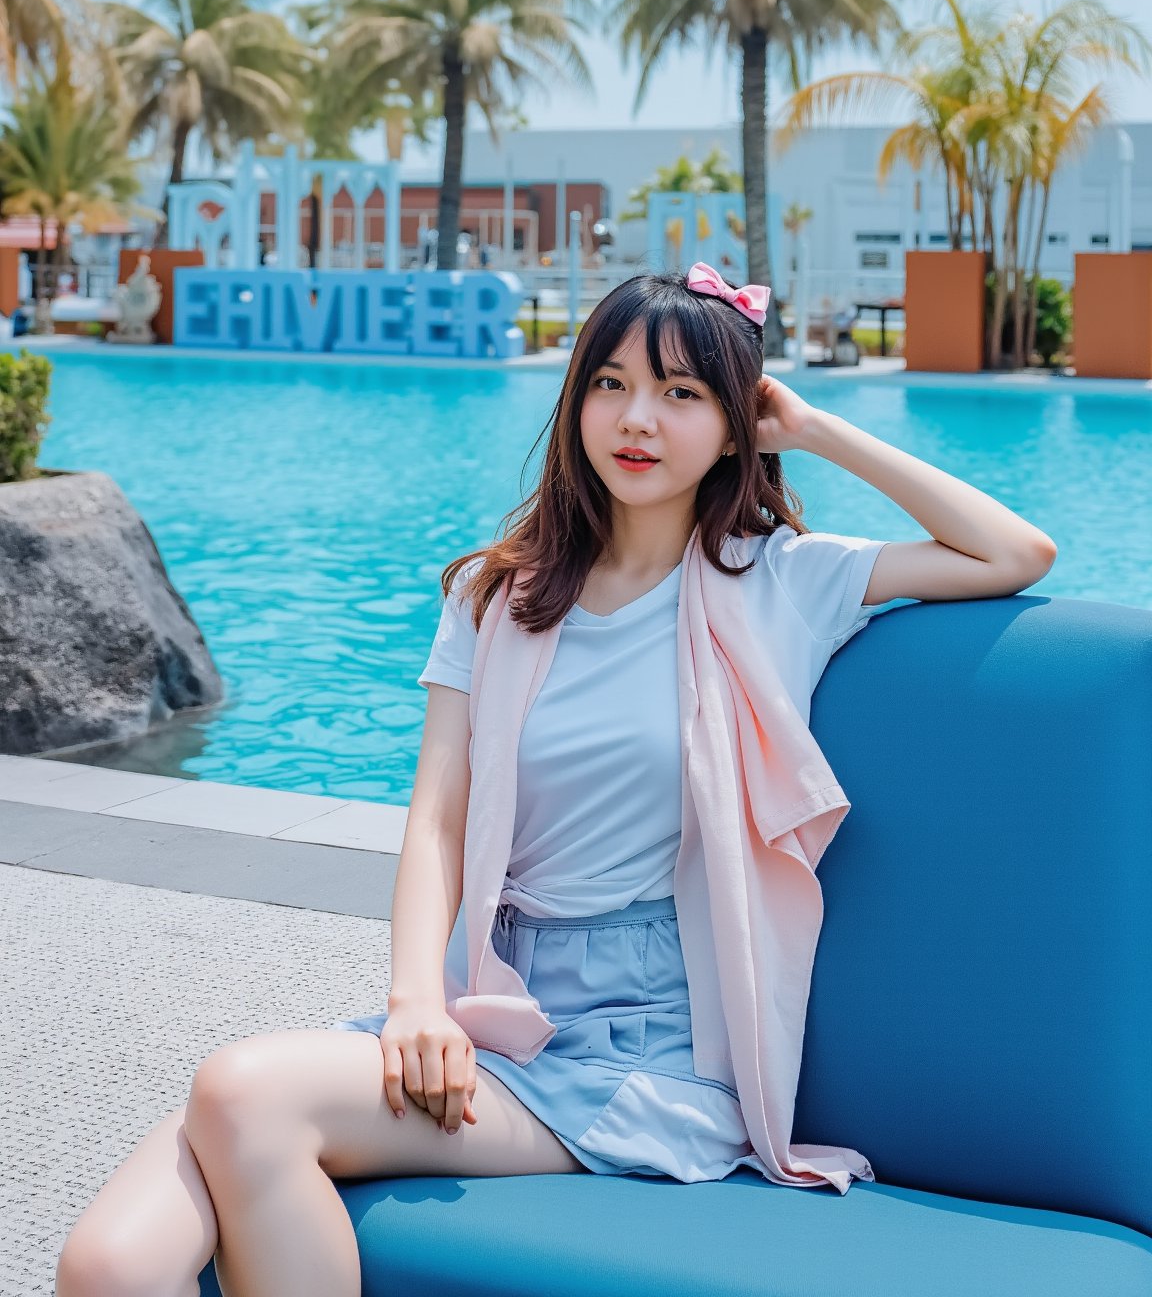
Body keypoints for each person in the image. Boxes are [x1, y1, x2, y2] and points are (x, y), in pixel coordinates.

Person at [55, 267, 1058, 1297]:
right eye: (611, 383)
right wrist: (416, 1005)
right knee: (107, 1266)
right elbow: (437, 816)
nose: (637, 419)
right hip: (487, 1003)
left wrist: (812, 430)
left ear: (733, 427)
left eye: (683, 394)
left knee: (245, 1094)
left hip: (643, 1048)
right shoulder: (498, 595)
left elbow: (1014, 551)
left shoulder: (779, 582)